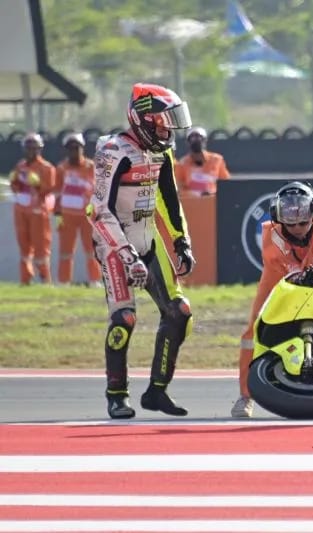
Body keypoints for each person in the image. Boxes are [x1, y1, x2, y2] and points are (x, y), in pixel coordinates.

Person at [89, 82, 196, 419]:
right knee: (124, 319)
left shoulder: (161, 152)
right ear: (144, 119)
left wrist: (181, 240)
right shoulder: (113, 151)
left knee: (179, 312)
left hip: (149, 242)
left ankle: (157, 391)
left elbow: (170, 199)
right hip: (114, 245)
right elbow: (98, 211)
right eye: (163, 120)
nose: (169, 127)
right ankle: (116, 394)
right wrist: (127, 256)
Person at [232, 181, 313, 418]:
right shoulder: (271, 233)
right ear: (279, 219)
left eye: (302, 223)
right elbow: (288, 275)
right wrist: (309, 274)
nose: (297, 228)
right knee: (252, 332)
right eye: (291, 224)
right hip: (280, 278)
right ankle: (245, 396)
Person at [53, 132, 101, 286]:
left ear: (82, 148)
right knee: (66, 251)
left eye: (76, 147)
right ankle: (64, 282)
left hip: (87, 215)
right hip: (67, 215)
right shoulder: (61, 168)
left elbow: (99, 189)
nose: (74, 151)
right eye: (70, 148)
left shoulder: (91, 166)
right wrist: (57, 212)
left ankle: (94, 280)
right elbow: (57, 192)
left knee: (91, 250)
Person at [9, 132, 56, 284]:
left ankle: (45, 279)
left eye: (34, 148)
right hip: (21, 210)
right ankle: (25, 279)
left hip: (37, 212)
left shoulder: (47, 167)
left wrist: (37, 184)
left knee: (41, 247)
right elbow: (16, 187)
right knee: (24, 247)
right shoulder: (20, 165)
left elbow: (49, 190)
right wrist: (13, 182)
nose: (31, 151)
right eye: (28, 148)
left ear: (40, 149)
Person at [174, 126, 230, 197]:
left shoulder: (217, 160)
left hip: (213, 201)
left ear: (205, 140)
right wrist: (196, 194)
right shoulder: (182, 164)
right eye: (193, 138)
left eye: (199, 137)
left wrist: (212, 193)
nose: (197, 140)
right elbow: (179, 189)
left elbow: (226, 184)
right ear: (188, 142)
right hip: (192, 202)